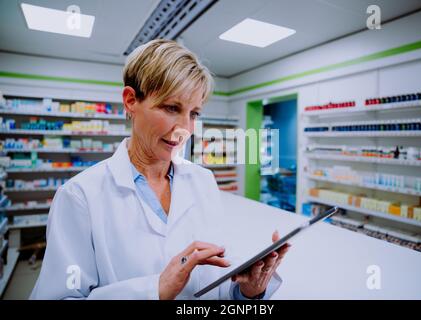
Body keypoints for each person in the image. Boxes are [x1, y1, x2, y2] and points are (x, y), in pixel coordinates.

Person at [30, 39, 289, 300]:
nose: (185, 129)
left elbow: (213, 281)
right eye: (171, 108)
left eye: (194, 114)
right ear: (131, 100)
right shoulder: (80, 196)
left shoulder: (203, 181)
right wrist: (154, 291)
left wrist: (246, 291)